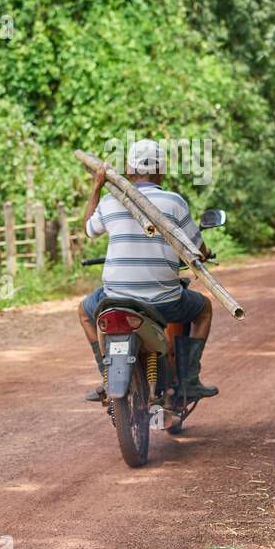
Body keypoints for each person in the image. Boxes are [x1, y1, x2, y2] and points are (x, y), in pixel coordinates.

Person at [77, 138, 217, 403]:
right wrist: (205, 253)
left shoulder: (109, 201)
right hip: (164, 302)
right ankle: (188, 380)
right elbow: (197, 247)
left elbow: (88, 229)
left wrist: (96, 187)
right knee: (203, 309)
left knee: (85, 312)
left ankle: (106, 376)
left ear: (128, 171)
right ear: (161, 171)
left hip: (114, 299)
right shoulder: (174, 202)